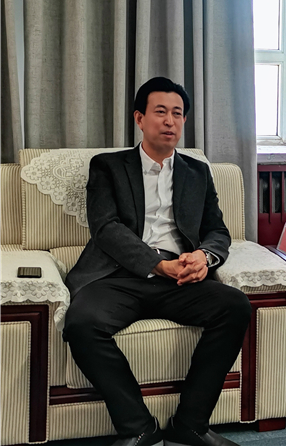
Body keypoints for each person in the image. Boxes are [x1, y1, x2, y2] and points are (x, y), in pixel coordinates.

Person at [64, 77, 251, 446]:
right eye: (160, 112)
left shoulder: (197, 171)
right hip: (118, 276)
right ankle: (139, 427)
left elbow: (217, 230)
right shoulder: (107, 166)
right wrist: (155, 264)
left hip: (179, 279)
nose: (170, 121)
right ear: (140, 118)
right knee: (82, 323)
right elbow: (106, 227)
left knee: (235, 306)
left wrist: (204, 257)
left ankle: (191, 424)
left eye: (177, 114)